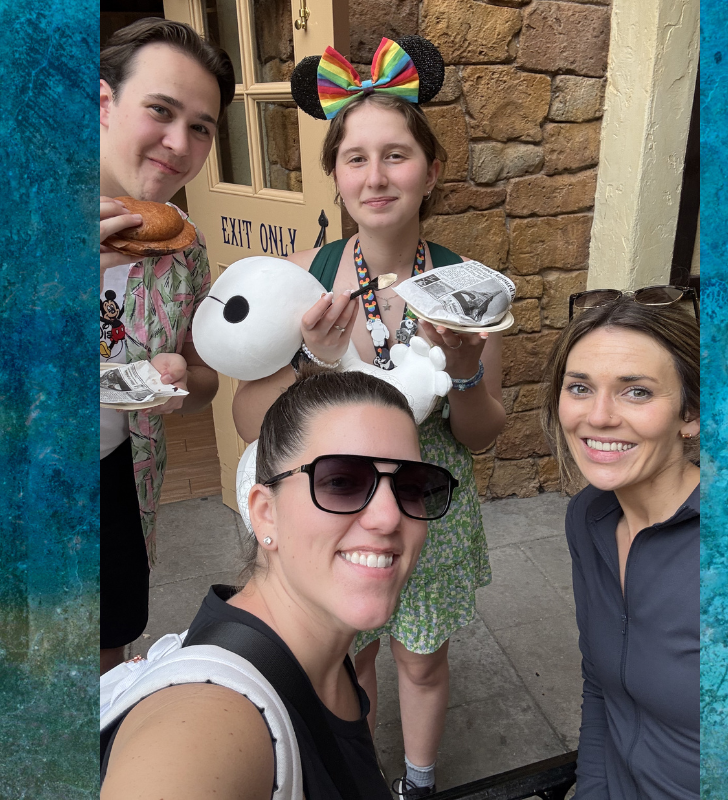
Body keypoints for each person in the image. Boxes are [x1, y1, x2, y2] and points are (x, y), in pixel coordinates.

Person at [232, 36, 506, 797]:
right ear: (334, 176)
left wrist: (466, 372)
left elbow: (483, 433)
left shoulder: (473, 290)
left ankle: (417, 784)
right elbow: (251, 424)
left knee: (420, 656)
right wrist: (310, 364)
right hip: (337, 504)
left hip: (433, 508)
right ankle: (356, 776)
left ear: (432, 171)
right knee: (348, 656)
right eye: (356, 158)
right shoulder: (302, 284)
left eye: (397, 155)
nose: (376, 176)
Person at [101, 370, 459, 799]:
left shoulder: (321, 657)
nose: (388, 517)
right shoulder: (210, 722)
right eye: (341, 481)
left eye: (412, 487)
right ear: (265, 514)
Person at [99, 19, 235, 674]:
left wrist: (181, 380)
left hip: (120, 476)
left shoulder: (184, 245)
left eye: (202, 126)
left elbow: (205, 375)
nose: (179, 144)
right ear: (102, 103)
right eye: (160, 110)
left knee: (110, 636)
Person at [540, 289, 700, 799]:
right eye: (580, 387)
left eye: (637, 392)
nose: (600, 416)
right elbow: (601, 687)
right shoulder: (589, 518)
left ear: (690, 414)